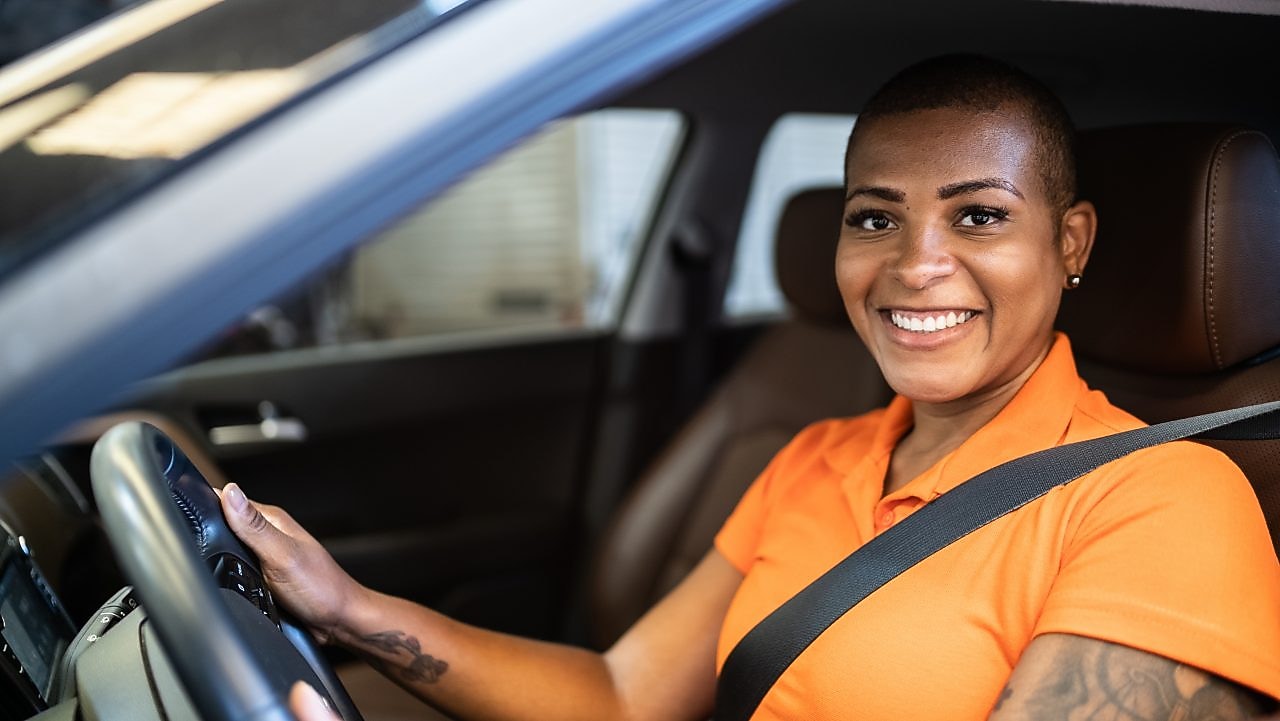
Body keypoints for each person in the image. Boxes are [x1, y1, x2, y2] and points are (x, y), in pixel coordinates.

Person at [226, 55, 1280, 721]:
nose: (914, 264)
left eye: (977, 216)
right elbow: (626, 695)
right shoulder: (816, 455)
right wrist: (351, 610)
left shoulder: (1159, 502)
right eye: (873, 217)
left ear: (1071, 242)